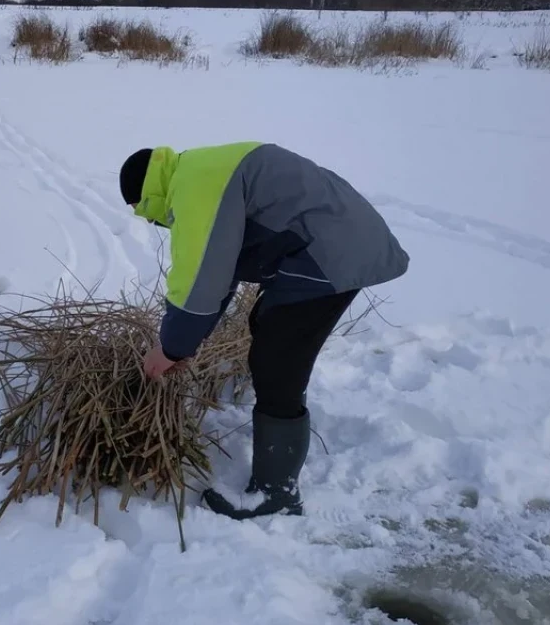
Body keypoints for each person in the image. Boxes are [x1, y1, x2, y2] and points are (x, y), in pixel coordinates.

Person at [119, 142, 409, 519]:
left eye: (143, 213)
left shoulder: (194, 187)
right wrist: (186, 344)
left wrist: (170, 349)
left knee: (277, 360)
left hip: (333, 250)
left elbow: (199, 280)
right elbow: (220, 274)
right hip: (336, 241)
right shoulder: (199, 171)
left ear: (146, 198)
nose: (150, 221)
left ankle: (276, 495)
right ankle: (278, 471)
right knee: (269, 329)